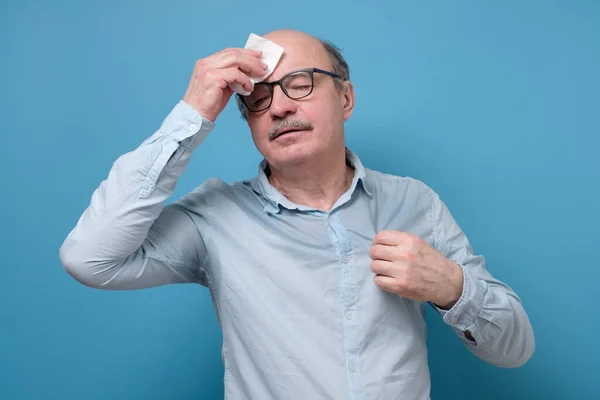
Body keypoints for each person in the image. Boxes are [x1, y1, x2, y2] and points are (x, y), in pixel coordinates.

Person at [59, 29, 535, 400]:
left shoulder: (414, 202)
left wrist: (451, 288)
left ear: (345, 99)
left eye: (300, 84)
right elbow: (89, 259)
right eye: (258, 97)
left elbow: (514, 349)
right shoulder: (215, 217)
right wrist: (191, 113)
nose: (280, 107)